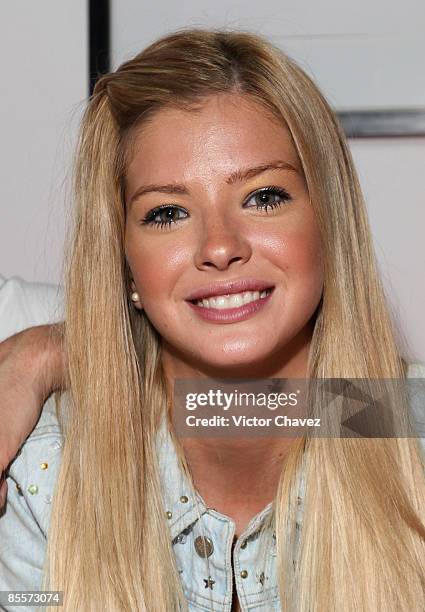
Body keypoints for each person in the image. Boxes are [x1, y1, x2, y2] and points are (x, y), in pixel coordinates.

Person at [0, 27, 424, 612]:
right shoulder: (50, 472)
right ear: (124, 264)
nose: (220, 246)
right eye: (167, 212)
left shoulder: (404, 432)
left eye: (264, 197)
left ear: (330, 225)